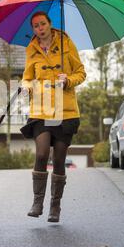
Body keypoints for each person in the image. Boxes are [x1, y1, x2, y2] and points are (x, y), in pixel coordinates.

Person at [20, 11, 86, 222]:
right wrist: (26, 86)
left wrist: (68, 79)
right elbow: (27, 78)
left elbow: (81, 72)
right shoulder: (31, 49)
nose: (40, 28)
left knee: (58, 159)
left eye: (42, 24)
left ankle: (54, 207)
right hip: (40, 110)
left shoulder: (66, 43)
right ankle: (37, 201)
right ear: (33, 29)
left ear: (50, 24)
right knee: (41, 155)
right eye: (36, 26)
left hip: (65, 111)